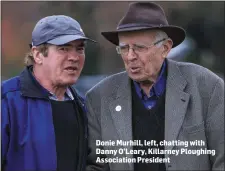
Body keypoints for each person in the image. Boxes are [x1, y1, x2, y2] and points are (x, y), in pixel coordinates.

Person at [86, 2, 224, 171]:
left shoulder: (207, 87)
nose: (130, 56)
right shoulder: (99, 98)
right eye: (123, 48)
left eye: (139, 48)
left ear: (165, 48)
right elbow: (96, 166)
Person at [2, 15, 96, 171]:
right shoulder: (6, 100)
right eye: (63, 48)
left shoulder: (84, 106)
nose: (74, 57)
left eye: (79, 49)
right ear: (38, 54)